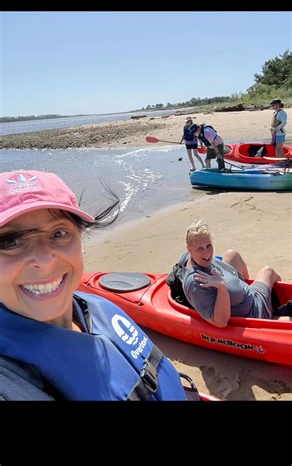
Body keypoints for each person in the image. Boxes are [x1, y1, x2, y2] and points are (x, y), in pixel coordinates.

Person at [0, 169, 190, 401]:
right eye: (11, 241)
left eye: (58, 233)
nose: (45, 261)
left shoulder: (94, 307)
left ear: (80, 236)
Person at [175, 219, 281, 328]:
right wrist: (221, 287)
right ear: (190, 250)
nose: (206, 252)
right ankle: (272, 314)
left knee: (232, 254)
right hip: (253, 310)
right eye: (200, 248)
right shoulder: (196, 283)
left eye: (209, 245)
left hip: (243, 292)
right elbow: (220, 322)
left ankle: (252, 286)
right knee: (268, 271)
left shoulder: (190, 257)